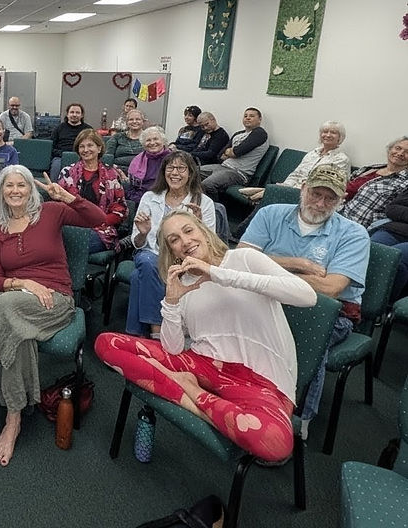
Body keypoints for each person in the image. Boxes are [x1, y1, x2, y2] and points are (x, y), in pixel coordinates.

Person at [95, 210, 318, 463]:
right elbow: (173, 348)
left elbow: (307, 296)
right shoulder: (184, 283)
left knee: (274, 445)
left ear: (203, 231)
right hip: (202, 364)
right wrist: (171, 301)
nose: (185, 241)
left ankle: (188, 390)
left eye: (189, 231)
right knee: (107, 344)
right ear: (173, 252)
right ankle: (197, 399)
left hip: (260, 381)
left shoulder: (244, 259)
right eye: (174, 239)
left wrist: (217, 273)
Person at [0, 166, 106, 466]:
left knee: (3, 308)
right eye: (9, 186)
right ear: (0, 192)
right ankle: (13, 420)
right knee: (18, 334)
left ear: (31, 189)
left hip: (54, 299)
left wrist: (68, 196)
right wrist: (24, 283)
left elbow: (99, 219)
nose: (15, 190)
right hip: (17, 298)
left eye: (22, 185)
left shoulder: (52, 212)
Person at [238, 165, 370, 439]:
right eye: (315, 194)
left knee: (305, 333)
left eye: (329, 198)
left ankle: (296, 421)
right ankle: (239, 391)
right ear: (303, 188)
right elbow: (242, 258)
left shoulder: (353, 234)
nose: (320, 203)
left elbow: (330, 289)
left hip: (327, 312)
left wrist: (266, 265)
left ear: (341, 200)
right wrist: (297, 265)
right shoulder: (271, 213)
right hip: (269, 297)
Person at [127, 151, 216, 337]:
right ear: (164, 172)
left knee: (138, 277)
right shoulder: (150, 197)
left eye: (181, 168)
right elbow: (137, 243)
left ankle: (137, 335)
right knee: (148, 262)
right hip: (150, 254)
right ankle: (157, 331)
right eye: (170, 168)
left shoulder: (203, 202)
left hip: (184, 260)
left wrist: (198, 225)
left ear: (190, 173)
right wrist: (143, 233)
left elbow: (210, 244)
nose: (175, 173)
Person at [239, 120, 350, 204]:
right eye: (325, 132)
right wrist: (286, 186)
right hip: (293, 189)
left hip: (314, 195)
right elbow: (296, 173)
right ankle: (268, 192)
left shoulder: (341, 159)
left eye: (333, 133)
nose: (328, 135)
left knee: (270, 195)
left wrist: (287, 190)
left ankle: (266, 192)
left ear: (340, 137)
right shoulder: (312, 153)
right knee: (272, 195)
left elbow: (323, 183)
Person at [57, 129, 128, 253]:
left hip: (101, 229)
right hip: (71, 226)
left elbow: (120, 208)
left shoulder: (111, 174)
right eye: (81, 146)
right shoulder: (67, 172)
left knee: (74, 244)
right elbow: (59, 203)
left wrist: (101, 221)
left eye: (90, 145)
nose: (85, 150)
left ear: (99, 148)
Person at [339, 136, 408, 229]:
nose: (400, 153)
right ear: (390, 149)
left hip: (359, 226)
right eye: (398, 148)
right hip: (337, 213)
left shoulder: (404, 182)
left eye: (407, 152)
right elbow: (344, 184)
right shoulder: (371, 168)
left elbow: (394, 211)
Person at [200, 107, 269, 198]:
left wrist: (231, 152)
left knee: (207, 184)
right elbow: (220, 155)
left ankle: (214, 209)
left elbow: (237, 152)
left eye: (251, 116)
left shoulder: (260, 133)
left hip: (239, 173)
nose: (247, 118)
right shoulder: (238, 134)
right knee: (192, 173)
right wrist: (230, 152)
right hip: (222, 166)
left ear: (259, 120)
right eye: (245, 116)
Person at [125, 126, 172, 203]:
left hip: (165, 197)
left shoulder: (172, 158)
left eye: (156, 139)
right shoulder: (138, 159)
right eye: (148, 140)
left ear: (163, 141)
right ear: (143, 144)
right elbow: (132, 186)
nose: (152, 143)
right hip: (141, 198)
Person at [49, 102, 93, 177]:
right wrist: (63, 154)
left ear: (82, 115)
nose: (74, 115)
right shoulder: (59, 128)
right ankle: (54, 188)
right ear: (67, 114)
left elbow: (92, 147)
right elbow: (51, 147)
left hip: (82, 157)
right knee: (55, 166)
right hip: (60, 157)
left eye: (77, 112)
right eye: (72, 112)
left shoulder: (88, 129)